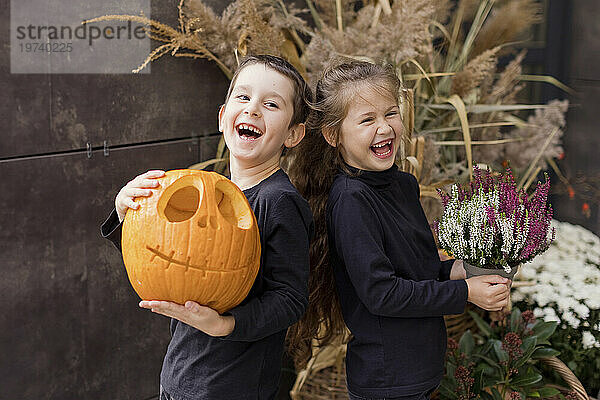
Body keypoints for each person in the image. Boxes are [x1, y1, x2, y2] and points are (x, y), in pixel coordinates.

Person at [287, 60, 510, 400]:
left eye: (390, 113)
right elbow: (382, 293)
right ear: (333, 135)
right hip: (387, 380)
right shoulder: (351, 201)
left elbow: (415, 269)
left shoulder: (403, 185)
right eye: (367, 119)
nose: (385, 127)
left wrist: (458, 269)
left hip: (419, 369)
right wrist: (466, 292)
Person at [101, 54, 314, 400]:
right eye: (243, 97)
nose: (253, 109)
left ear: (293, 134)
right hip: (181, 376)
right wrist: (126, 211)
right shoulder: (210, 193)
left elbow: (290, 298)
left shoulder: (279, 201)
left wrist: (226, 324)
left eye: (271, 104)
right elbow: (166, 258)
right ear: (222, 116)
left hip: (235, 386)